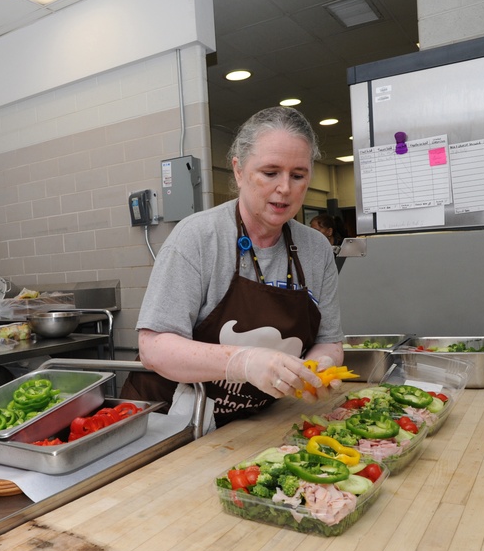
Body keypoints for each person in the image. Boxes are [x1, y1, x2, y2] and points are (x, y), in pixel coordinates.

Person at [122, 107, 344, 428]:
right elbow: (154, 348)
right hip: (170, 420)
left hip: (252, 421)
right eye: (270, 173)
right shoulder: (197, 237)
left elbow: (329, 340)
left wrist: (318, 368)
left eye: (298, 175)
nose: (285, 188)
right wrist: (243, 361)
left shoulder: (316, 249)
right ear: (239, 171)